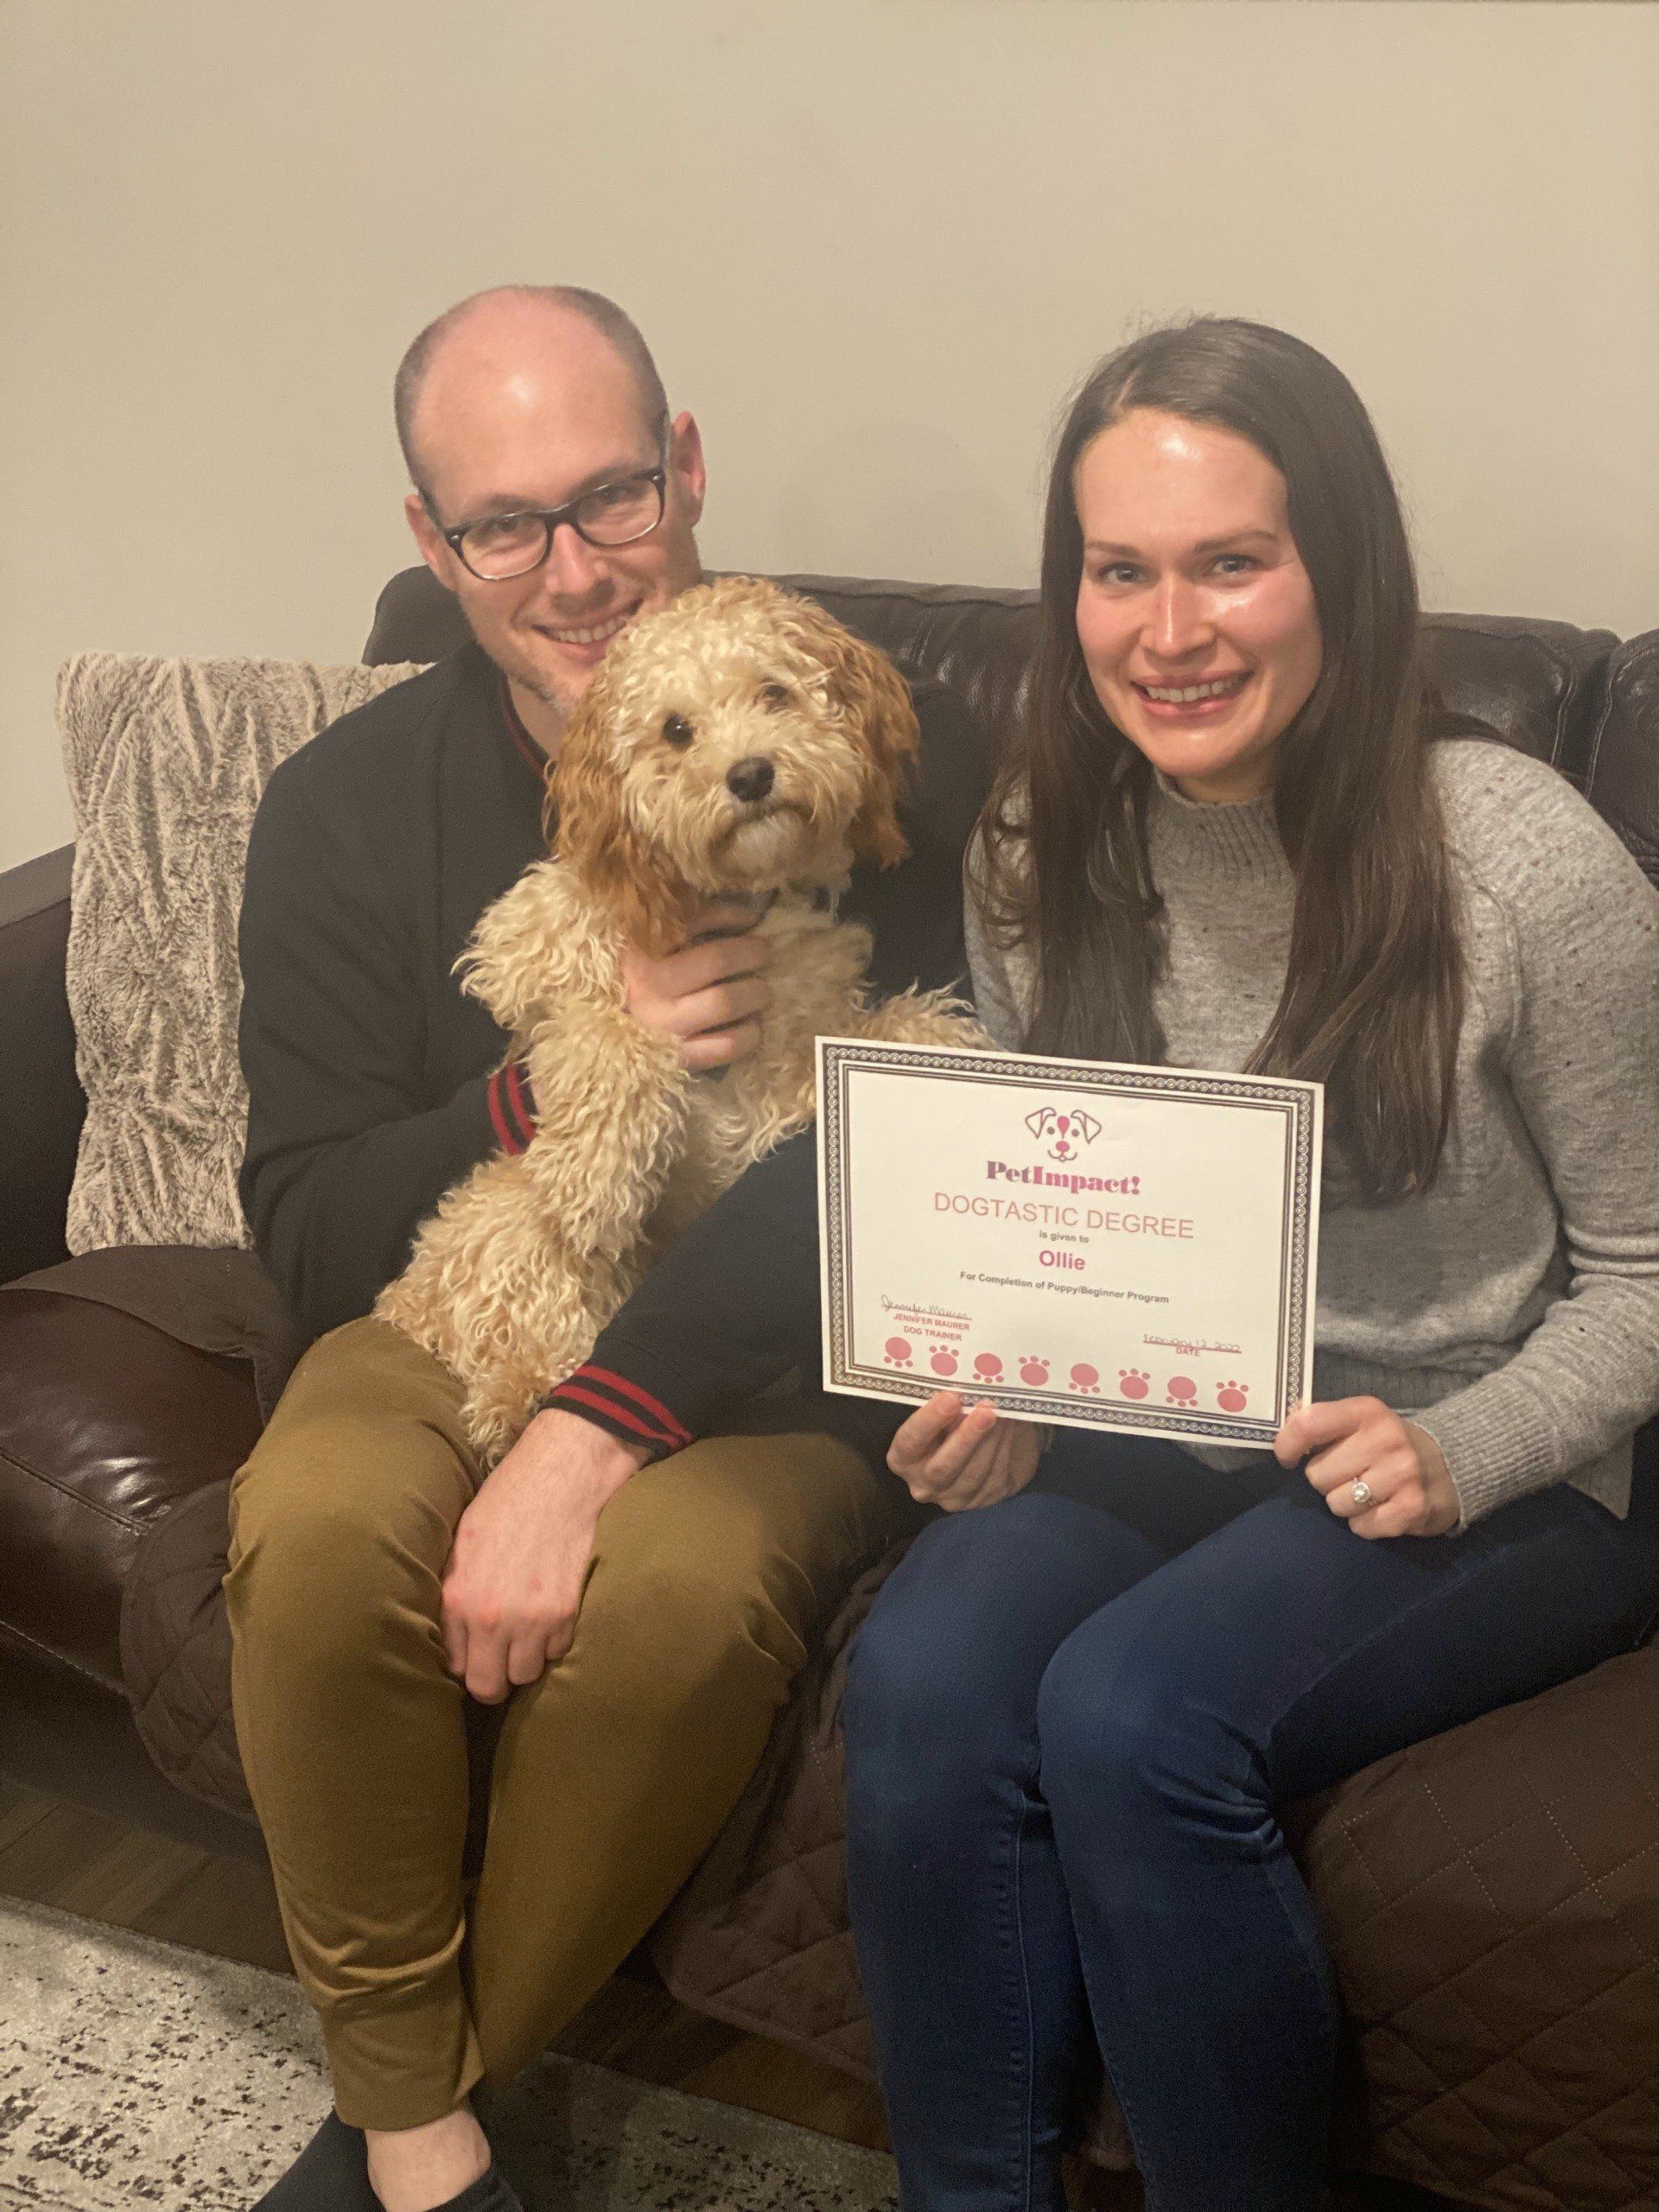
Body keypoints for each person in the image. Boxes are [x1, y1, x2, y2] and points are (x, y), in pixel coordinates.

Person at [536, 318, 1659, 2209]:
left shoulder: (1520, 858)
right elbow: (1052, 1220)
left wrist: (1464, 1447)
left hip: (1493, 1449)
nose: (1171, 628)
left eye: (1232, 559)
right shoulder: (1039, 841)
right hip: (1174, 1422)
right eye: (1118, 572)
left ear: (1343, 572)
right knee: (924, 1668)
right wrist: (998, 1390)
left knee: (1136, 1713)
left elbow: (1648, 1262)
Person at [229, 283, 985, 2212]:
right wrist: (566, 1075)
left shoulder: (891, 759)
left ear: (689, 466)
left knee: (672, 1600)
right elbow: (310, 1224)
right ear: (432, 543)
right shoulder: (336, 813)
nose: (571, 570)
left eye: (613, 496)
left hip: (774, 1358)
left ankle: (396, 2107)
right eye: (503, 524)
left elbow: (963, 1155)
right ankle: (427, 2136)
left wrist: (610, 1423)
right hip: (452, 1296)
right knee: (312, 1524)